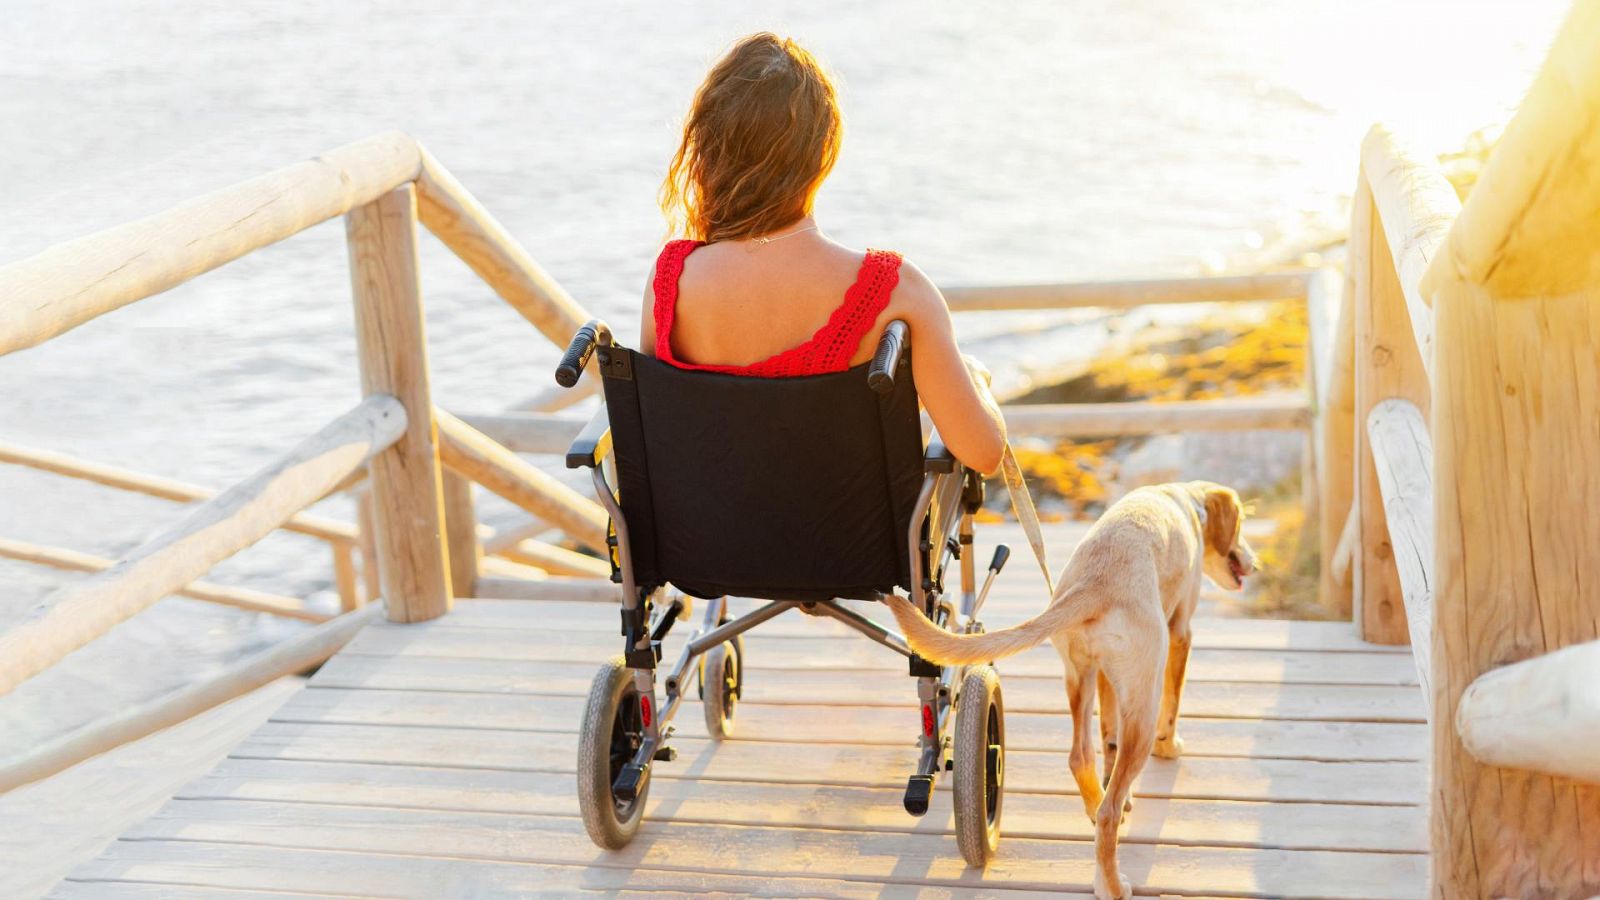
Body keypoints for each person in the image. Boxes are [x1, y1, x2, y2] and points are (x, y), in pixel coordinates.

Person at [640, 32, 1006, 476]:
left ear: (709, 149)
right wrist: (978, 384)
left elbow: (654, 434)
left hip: (696, 546)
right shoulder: (896, 292)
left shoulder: (671, 283)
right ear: (822, 153)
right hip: (855, 547)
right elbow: (984, 454)